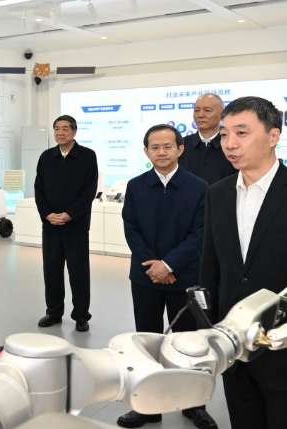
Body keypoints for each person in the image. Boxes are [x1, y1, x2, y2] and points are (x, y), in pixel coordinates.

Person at [117, 124, 216, 429]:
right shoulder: (136, 186)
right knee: (146, 342)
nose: (161, 152)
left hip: (184, 278)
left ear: (180, 149)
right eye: (155, 147)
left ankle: (193, 405)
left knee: (189, 344)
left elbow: (200, 233)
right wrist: (154, 266)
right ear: (146, 151)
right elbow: (131, 227)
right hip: (145, 277)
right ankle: (148, 407)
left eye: (167, 146)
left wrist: (169, 265)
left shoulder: (199, 187)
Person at [201, 96, 287, 429]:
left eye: (241, 133)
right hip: (233, 341)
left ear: (273, 136)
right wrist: (212, 329)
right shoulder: (218, 193)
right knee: (243, 416)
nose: (230, 144)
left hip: (281, 341)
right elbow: (210, 265)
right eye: (224, 134)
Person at [34, 115, 98, 332]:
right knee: (51, 271)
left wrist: (70, 214)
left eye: (65, 128)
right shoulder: (46, 157)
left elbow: (89, 191)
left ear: (74, 131)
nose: (60, 133)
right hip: (51, 226)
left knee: (79, 272)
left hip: (76, 226)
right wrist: (47, 214)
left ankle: (81, 315)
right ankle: (53, 312)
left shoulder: (87, 156)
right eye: (57, 129)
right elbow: (39, 189)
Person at [180, 93, 236, 185]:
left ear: (222, 114)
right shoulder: (181, 145)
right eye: (197, 110)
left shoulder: (233, 144)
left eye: (207, 110)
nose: (200, 115)